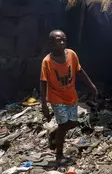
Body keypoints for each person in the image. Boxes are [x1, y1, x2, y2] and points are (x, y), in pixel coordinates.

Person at [40, 30, 98, 166]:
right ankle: (59, 155)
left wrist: (91, 85)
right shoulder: (47, 62)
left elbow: (80, 71)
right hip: (56, 97)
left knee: (72, 123)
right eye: (58, 40)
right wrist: (44, 105)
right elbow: (43, 83)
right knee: (63, 124)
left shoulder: (72, 54)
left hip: (71, 96)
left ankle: (54, 134)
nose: (62, 43)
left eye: (64, 40)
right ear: (51, 43)